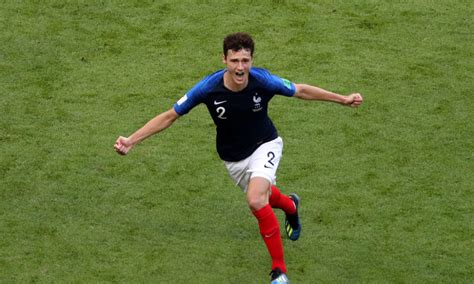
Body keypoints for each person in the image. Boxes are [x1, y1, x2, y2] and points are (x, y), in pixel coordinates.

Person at [114, 32, 363, 284]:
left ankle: (279, 270)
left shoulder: (264, 81)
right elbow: (170, 116)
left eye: (245, 60)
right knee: (265, 197)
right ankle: (290, 205)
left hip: (266, 144)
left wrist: (342, 99)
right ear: (224, 59)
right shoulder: (207, 88)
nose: (240, 67)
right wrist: (131, 140)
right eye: (234, 61)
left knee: (255, 200)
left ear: (252, 60)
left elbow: (301, 90)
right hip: (233, 159)